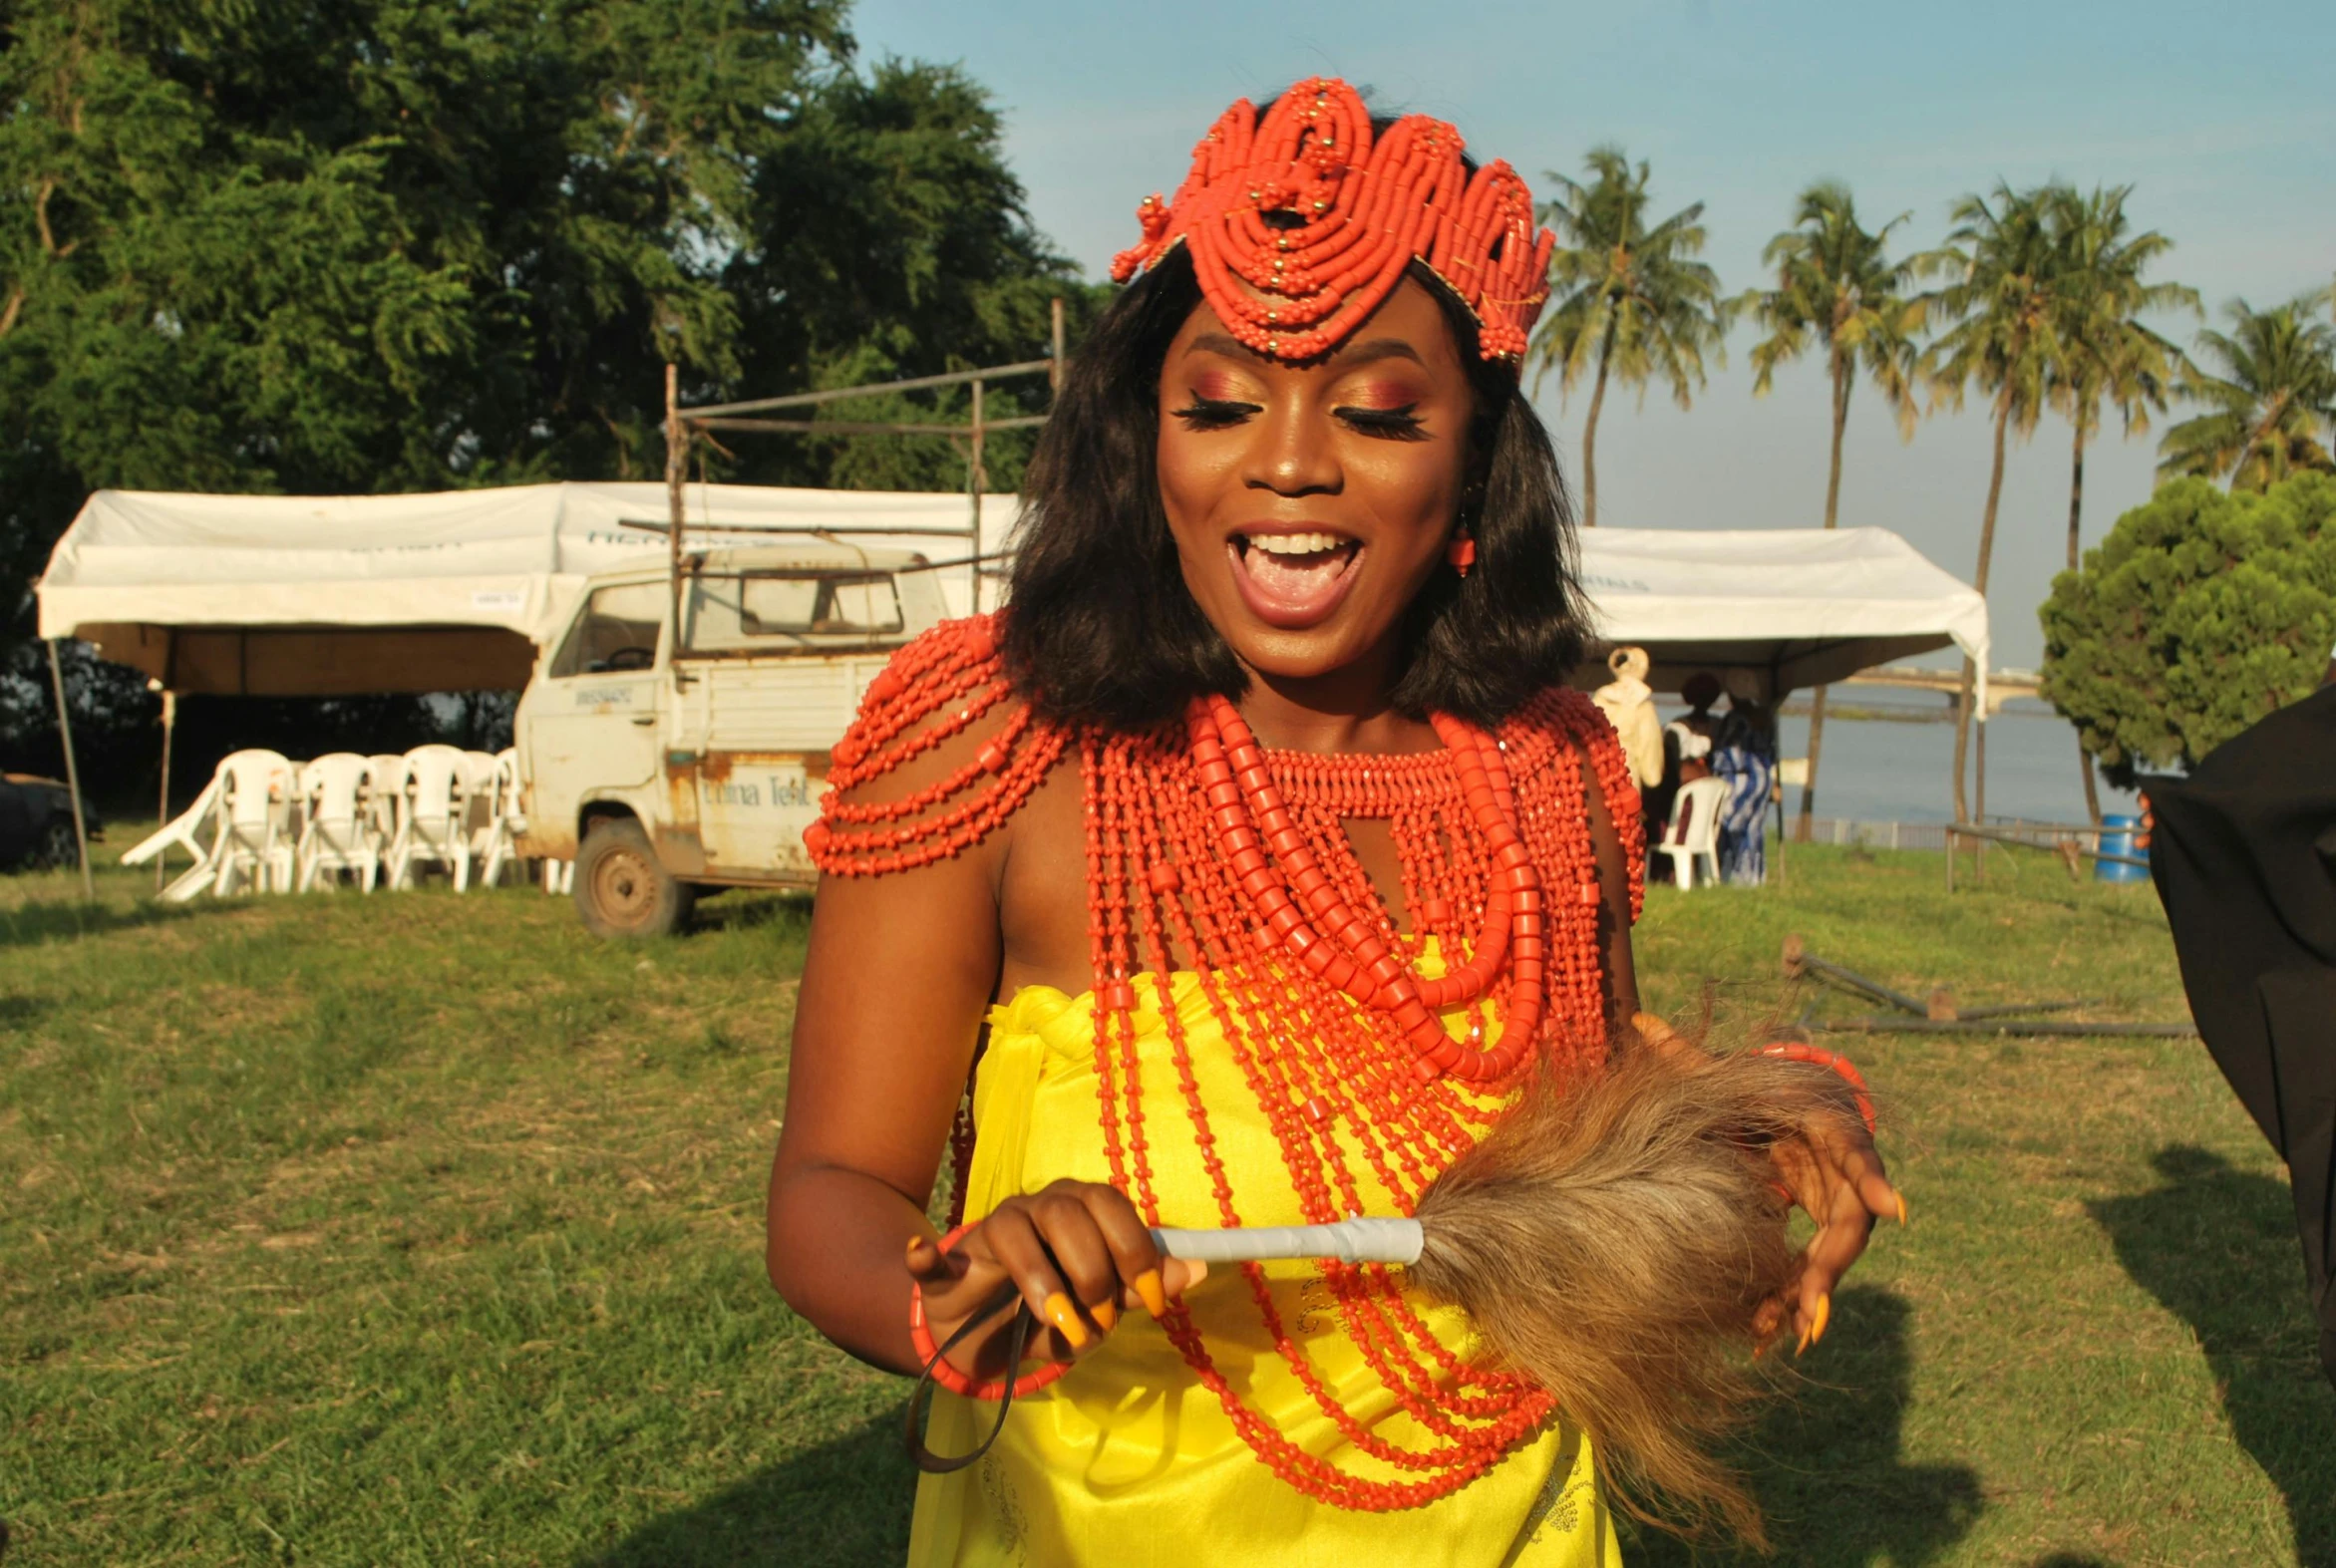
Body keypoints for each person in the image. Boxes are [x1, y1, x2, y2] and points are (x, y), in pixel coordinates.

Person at [766, 79, 1899, 1565]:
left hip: (1509, 1521)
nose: (1287, 459)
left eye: (1373, 410)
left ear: (1473, 464)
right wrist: (949, 1291)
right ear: (1142, 444)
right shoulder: (1001, 732)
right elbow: (827, 1193)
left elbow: (1583, 1075)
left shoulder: (1546, 766)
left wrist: (1780, 1108)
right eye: (1219, 403)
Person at [1708, 676, 1777, 887]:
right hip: (1761, 780)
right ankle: (1754, 878)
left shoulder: (1735, 719)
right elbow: (1772, 753)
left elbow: (1727, 754)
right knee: (1753, 829)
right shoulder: (1765, 717)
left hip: (1740, 780)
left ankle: (1732, 876)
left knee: (1731, 828)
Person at [1592, 647, 1664, 793]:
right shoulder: (1642, 704)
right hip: (1628, 773)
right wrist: (1652, 776)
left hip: (1600, 771)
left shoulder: (1599, 699)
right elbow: (1650, 742)